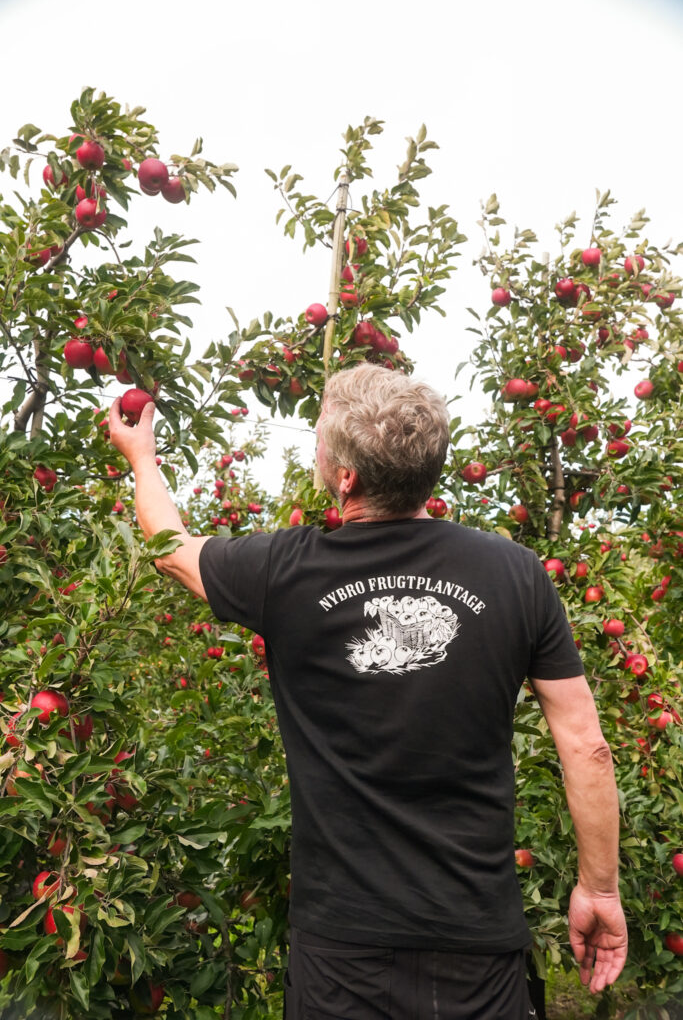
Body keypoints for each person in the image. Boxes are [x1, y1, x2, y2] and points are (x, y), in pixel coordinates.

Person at [109, 363, 628, 1019]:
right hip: (476, 945)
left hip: (342, 956)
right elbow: (586, 748)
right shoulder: (515, 574)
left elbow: (169, 548)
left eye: (321, 441)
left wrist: (142, 456)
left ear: (344, 477)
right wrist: (599, 891)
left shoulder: (285, 570)